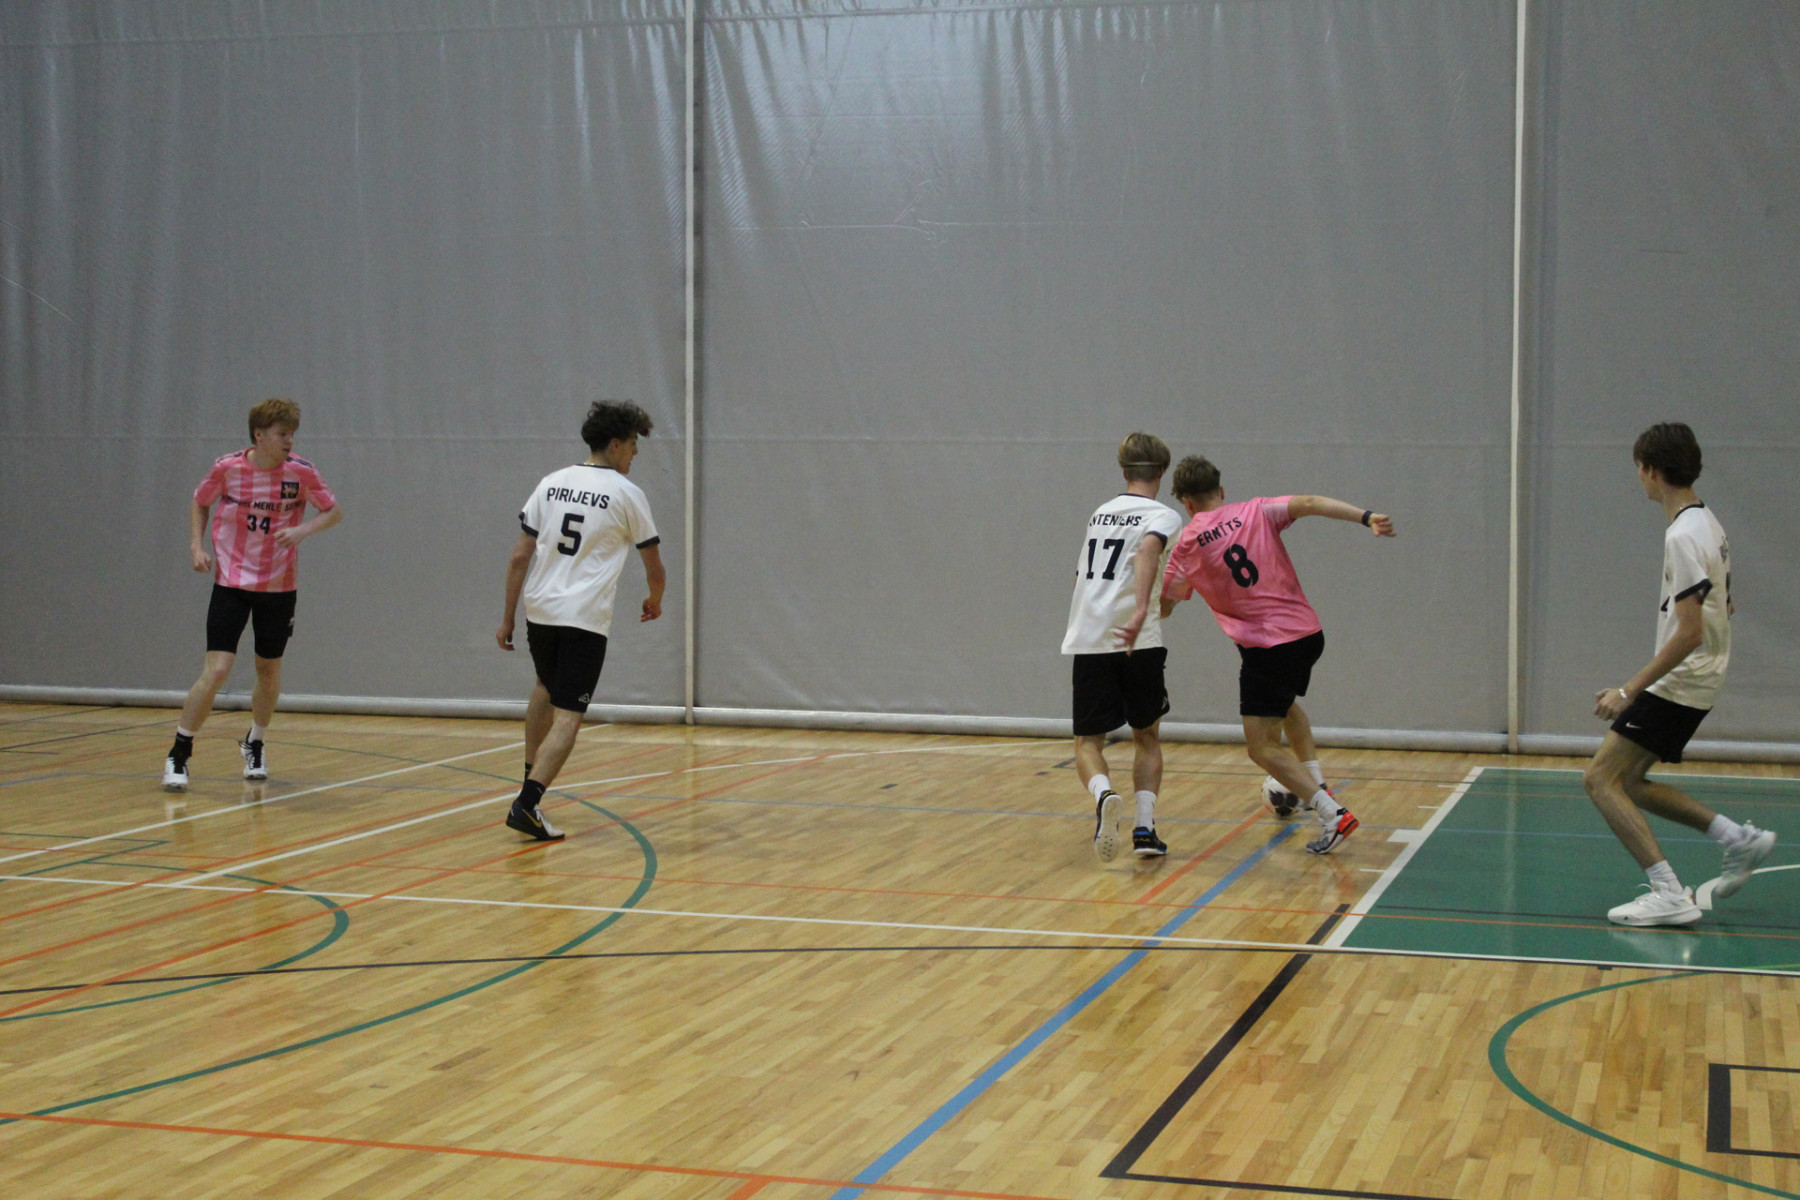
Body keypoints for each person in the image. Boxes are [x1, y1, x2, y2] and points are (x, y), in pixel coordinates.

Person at [1583, 422, 1774, 926]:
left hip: (1681, 681)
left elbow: (1690, 633)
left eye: (1638, 469)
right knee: (1630, 781)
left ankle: (1668, 893)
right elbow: (1724, 606)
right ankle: (1738, 838)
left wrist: (1628, 689)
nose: (1638, 478)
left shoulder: (1683, 535)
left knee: (1599, 780)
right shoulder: (1708, 522)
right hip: (1701, 678)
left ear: (1651, 471)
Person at [1159, 456, 1392, 854]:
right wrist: (1365, 516)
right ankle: (1316, 783)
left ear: (1187, 503)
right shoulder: (1258, 510)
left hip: (1268, 649)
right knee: (1285, 708)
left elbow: (1165, 607)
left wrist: (1145, 576)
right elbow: (1311, 502)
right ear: (1222, 491)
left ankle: (1332, 813)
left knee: (1260, 747)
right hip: (1308, 635)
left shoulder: (1186, 546)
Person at [497, 400, 665, 840]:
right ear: (615, 444)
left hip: (539, 609)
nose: (635, 453)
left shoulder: (551, 483)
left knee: (544, 688)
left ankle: (529, 783)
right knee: (569, 715)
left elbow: (519, 556)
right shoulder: (627, 493)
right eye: (633, 444)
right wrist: (656, 598)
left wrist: (507, 618)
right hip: (583, 617)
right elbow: (653, 563)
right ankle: (527, 804)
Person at [162, 399, 341, 790]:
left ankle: (255, 743)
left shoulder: (302, 472)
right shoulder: (228, 468)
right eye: (282, 433)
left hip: (279, 587)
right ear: (259, 435)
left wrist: (302, 531)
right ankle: (179, 752)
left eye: (292, 434)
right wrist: (196, 546)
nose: (289, 441)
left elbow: (332, 511)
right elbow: (200, 501)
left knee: (268, 669)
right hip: (232, 583)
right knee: (217, 669)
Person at [1062, 433, 1184, 862]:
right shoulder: (1164, 516)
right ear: (1162, 472)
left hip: (1091, 638)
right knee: (1147, 736)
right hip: (1139, 639)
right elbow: (1148, 551)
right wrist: (1144, 608)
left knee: (1087, 741)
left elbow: (1080, 579)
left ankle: (1103, 795)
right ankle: (1145, 829)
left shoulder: (1099, 514)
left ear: (1123, 470)